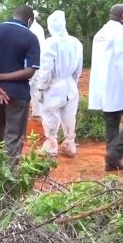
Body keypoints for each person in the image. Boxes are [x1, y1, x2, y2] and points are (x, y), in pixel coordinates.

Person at [0, 5, 40, 166]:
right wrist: (3, 77)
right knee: (14, 137)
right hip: (17, 95)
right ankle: (8, 182)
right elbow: (30, 71)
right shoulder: (31, 37)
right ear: (30, 20)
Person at [88, 4, 123, 171]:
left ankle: (111, 161)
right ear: (121, 16)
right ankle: (115, 154)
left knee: (112, 122)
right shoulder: (120, 34)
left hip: (105, 86)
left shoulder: (100, 34)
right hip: (121, 86)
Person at [37, 10, 83, 158]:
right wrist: (73, 83)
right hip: (70, 83)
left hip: (54, 85)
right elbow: (78, 69)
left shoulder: (49, 43)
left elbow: (46, 68)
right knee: (69, 114)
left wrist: (41, 87)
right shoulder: (76, 42)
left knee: (49, 113)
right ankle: (70, 143)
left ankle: (51, 145)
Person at [29, 10, 46, 119]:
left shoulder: (32, 28)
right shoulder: (38, 28)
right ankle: (37, 111)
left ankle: (25, 111)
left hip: (32, 60)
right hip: (40, 60)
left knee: (27, 84)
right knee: (35, 86)